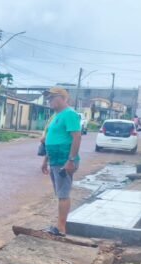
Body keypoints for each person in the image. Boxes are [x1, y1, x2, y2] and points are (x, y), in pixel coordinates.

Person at [41, 87, 81, 236]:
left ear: (63, 98)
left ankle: (61, 228)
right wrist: (45, 160)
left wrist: (71, 160)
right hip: (55, 160)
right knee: (59, 194)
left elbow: (77, 137)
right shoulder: (56, 116)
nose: (49, 101)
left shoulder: (70, 114)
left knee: (63, 194)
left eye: (52, 98)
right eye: (48, 98)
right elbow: (51, 140)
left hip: (64, 160)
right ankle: (59, 225)